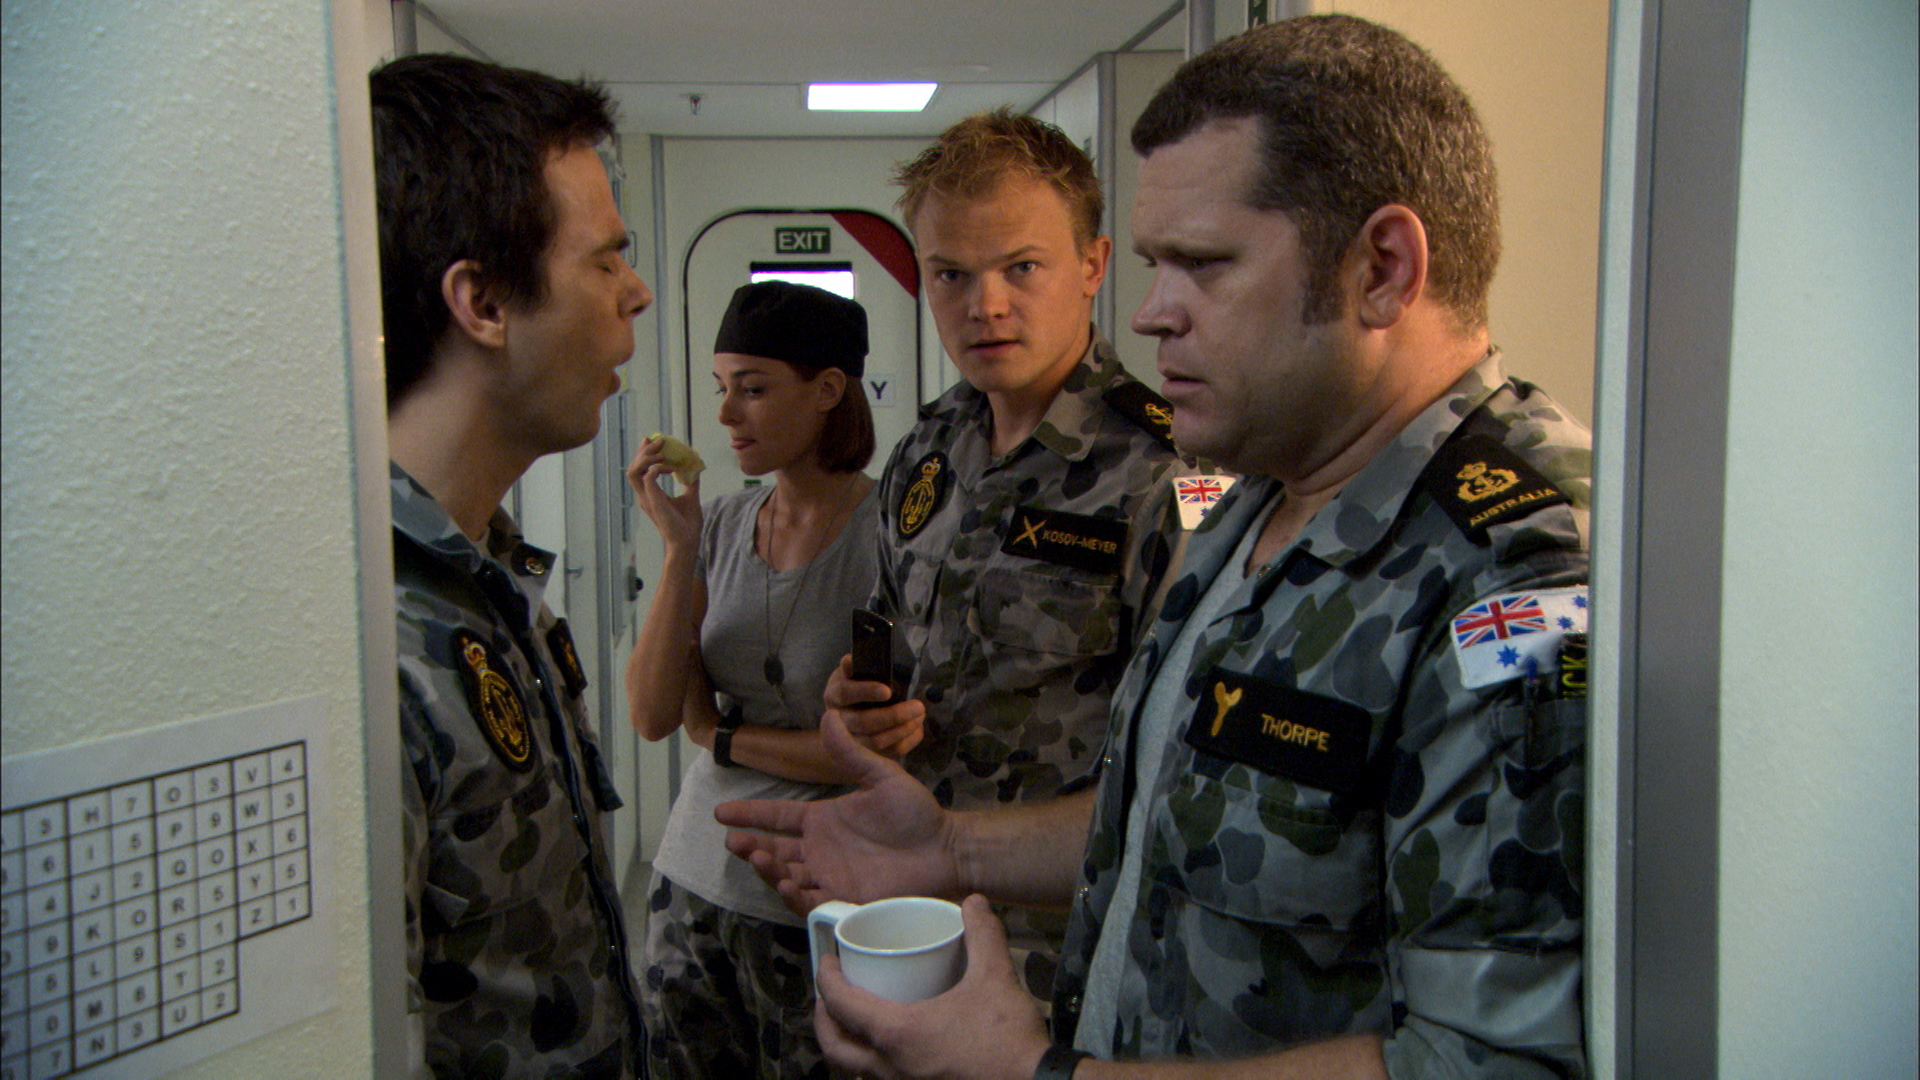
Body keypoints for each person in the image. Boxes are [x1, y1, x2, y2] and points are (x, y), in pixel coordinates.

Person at [720, 15, 1590, 1079]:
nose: (1150, 313)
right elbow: (1166, 824)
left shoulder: (1519, 571)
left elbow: (1494, 1062)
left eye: (1202, 264)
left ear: (1382, 268)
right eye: (1152, 263)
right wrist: (948, 847)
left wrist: (1043, 1077)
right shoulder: (1258, 499)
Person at [836, 108, 1188, 1002]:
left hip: (1068, 951)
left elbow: (1179, 773)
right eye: (950, 273)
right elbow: (889, 644)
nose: (984, 305)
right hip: (915, 917)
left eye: (1021, 268)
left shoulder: (1167, 475)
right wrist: (858, 711)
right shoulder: (927, 450)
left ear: (1093, 266)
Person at [374, 54, 651, 1077]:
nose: (637, 293)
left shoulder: (491, 581)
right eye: (605, 261)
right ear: (484, 302)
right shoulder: (372, 648)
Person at [624, 281, 921, 1079]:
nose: (726, 414)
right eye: (722, 388)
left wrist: (721, 734)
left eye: (752, 389)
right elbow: (652, 714)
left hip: (815, 896)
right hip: (693, 879)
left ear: (827, 390)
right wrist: (679, 552)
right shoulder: (719, 525)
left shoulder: (889, 538)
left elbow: (868, 753)